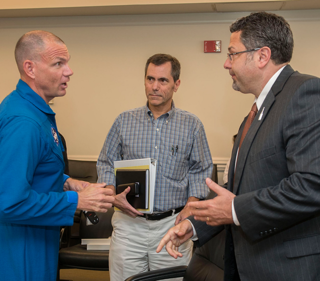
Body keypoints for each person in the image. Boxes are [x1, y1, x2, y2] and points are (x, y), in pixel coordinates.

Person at [157, 12, 320, 281]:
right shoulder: (255, 112)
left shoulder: (304, 93)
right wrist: (194, 226)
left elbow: (312, 184)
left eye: (232, 53)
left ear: (262, 56)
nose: (225, 63)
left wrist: (234, 210)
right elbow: (235, 192)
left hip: (286, 269)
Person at [0, 30, 114, 281]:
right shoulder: (23, 121)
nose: (69, 71)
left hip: (39, 239)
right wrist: (76, 201)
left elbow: (34, 167)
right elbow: (9, 202)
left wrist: (65, 181)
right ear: (30, 68)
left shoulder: (36, 111)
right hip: (21, 250)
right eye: (58, 64)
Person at [97, 53, 213, 280]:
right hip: (129, 224)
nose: (155, 87)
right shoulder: (124, 121)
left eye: (163, 80)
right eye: (150, 79)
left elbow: (200, 169)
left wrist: (192, 205)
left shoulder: (192, 125)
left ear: (176, 84)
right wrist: (111, 193)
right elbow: (105, 162)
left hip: (172, 224)